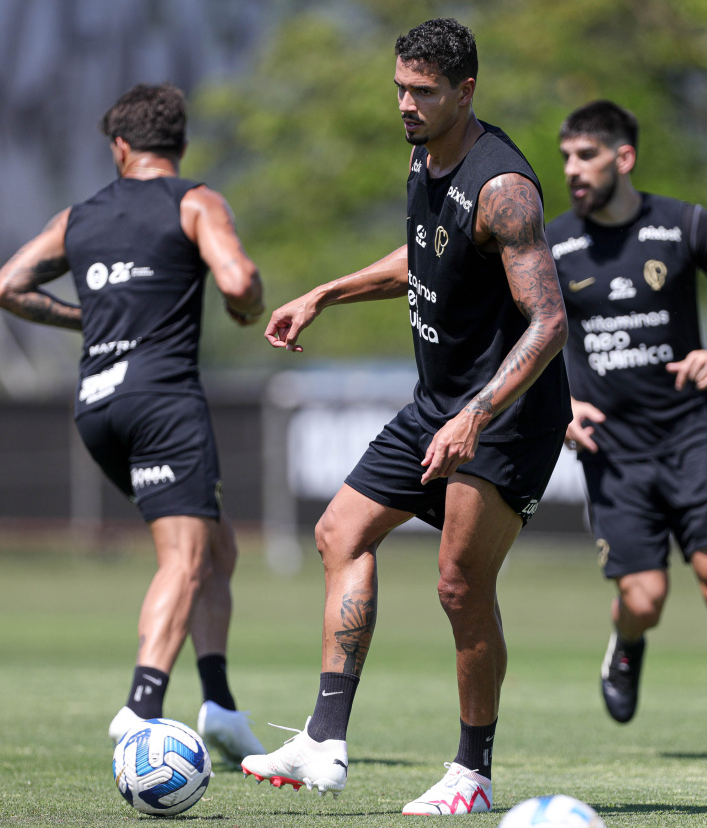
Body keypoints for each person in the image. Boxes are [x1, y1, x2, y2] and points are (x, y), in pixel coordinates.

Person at [239, 18, 571, 815]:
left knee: (458, 584)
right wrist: (325, 291)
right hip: (437, 402)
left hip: (508, 413)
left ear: (466, 91)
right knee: (338, 533)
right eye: (399, 88)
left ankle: (472, 774)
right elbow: (424, 252)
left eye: (422, 92)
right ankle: (322, 742)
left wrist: (478, 415)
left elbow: (549, 320)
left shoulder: (505, 189)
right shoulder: (423, 153)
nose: (405, 104)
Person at [0, 83, 267, 765]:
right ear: (180, 144)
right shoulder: (195, 200)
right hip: (162, 400)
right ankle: (141, 708)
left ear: (119, 146)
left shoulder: (77, 217)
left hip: (98, 406)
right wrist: (248, 305)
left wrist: (83, 317)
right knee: (186, 555)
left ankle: (221, 706)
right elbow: (237, 281)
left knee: (215, 545)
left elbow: (6, 287)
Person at [544, 100, 707, 759]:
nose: (571, 169)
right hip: (611, 453)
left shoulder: (685, 225)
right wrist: (557, 406)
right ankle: (626, 641)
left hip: (687, 439)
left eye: (585, 155)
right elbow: (522, 340)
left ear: (622, 159)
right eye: (565, 157)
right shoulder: (553, 244)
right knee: (644, 599)